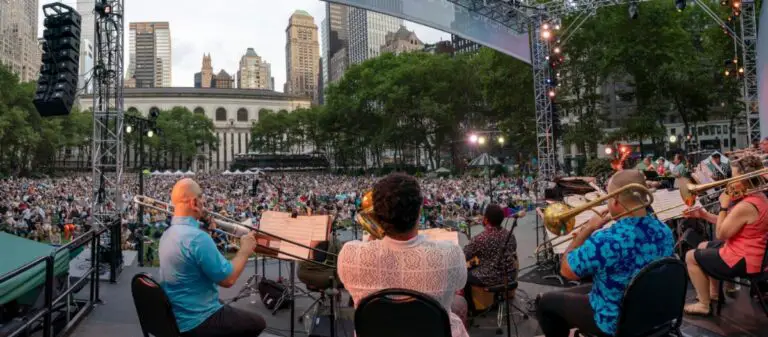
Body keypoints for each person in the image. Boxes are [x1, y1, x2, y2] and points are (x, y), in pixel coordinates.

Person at [535, 170, 674, 337]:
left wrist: (587, 229)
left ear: (615, 201)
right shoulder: (665, 230)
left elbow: (566, 270)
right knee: (589, 286)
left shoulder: (606, 240)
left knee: (546, 302)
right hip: (654, 313)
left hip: (616, 321)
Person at [338, 173, 469, 337]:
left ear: (375, 214)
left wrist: (375, 235)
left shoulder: (350, 255)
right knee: (459, 303)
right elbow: (460, 284)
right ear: (419, 211)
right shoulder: (451, 254)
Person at [157, 178, 266, 337]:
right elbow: (227, 279)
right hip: (197, 320)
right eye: (201, 197)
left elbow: (198, 262)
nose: (204, 202)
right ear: (194, 202)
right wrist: (244, 251)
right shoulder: (197, 238)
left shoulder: (167, 234)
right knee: (258, 323)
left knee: (225, 307)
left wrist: (206, 229)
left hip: (175, 316)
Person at [683, 155, 768, 315]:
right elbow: (730, 223)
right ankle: (713, 295)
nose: (730, 182)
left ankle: (703, 304)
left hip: (744, 260)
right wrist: (704, 215)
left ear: (746, 179)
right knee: (702, 246)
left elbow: (721, 234)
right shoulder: (759, 197)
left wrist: (723, 206)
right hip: (750, 252)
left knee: (690, 256)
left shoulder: (746, 206)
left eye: (734, 177)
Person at [463, 204, 518, 314]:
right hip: (509, 275)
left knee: (464, 276)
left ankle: (473, 309)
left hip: (490, 277)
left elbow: (464, 256)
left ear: (486, 219)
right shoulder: (510, 235)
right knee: (478, 264)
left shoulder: (480, 238)